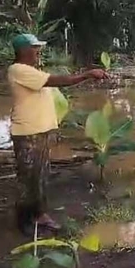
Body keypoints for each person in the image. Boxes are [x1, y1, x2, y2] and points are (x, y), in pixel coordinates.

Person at [8, 33, 108, 234]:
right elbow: (59, 80)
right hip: (28, 134)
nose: (38, 51)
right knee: (29, 180)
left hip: (41, 133)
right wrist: (87, 74)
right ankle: (24, 222)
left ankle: (40, 215)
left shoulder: (30, 71)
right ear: (24, 51)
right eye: (35, 47)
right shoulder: (18, 70)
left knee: (41, 177)